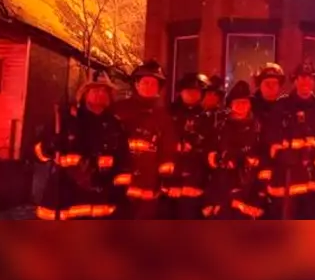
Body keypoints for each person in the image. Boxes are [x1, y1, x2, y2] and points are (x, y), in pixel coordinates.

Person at [34, 71, 129, 220]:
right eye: (95, 90)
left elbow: (123, 160)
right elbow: (36, 152)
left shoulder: (115, 125)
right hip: (66, 198)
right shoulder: (66, 120)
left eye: (104, 91)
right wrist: (51, 144)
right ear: (84, 94)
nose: (100, 94)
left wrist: (119, 192)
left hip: (102, 200)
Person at [113, 59, 178, 219]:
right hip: (118, 184)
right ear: (136, 84)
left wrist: (164, 182)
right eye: (145, 82)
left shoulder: (164, 118)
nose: (149, 86)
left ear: (159, 88)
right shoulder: (118, 110)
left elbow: (167, 154)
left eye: (153, 84)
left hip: (149, 185)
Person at [262, 62, 315, 219]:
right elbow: (270, 138)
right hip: (286, 176)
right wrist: (284, 154)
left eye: (310, 78)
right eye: (302, 78)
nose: (306, 82)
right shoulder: (281, 106)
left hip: (313, 177)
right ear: (295, 80)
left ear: (313, 82)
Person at [202, 80, 268, 219]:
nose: (242, 106)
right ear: (230, 105)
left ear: (250, 104)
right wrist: (217, 158)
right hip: (223, 184)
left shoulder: (259, 127)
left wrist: (256, 162)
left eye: (245, 102)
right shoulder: (220, 126)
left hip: (250, 186)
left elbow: (265, 152)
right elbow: (209, 152)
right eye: (237, 102)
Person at [166, 72, 212, 219]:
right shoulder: (167, 114)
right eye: (188, 90)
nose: (192, 94)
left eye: (196, 91)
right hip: (168, 182)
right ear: (181, 92)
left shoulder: (209, 118)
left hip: (196, 183)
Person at [252, 63, 285, 131]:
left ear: (279, 86)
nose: (271, 87)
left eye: (274, 83)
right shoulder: (251, 107)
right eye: (267, 83)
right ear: (259, 85)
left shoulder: (285, 106)